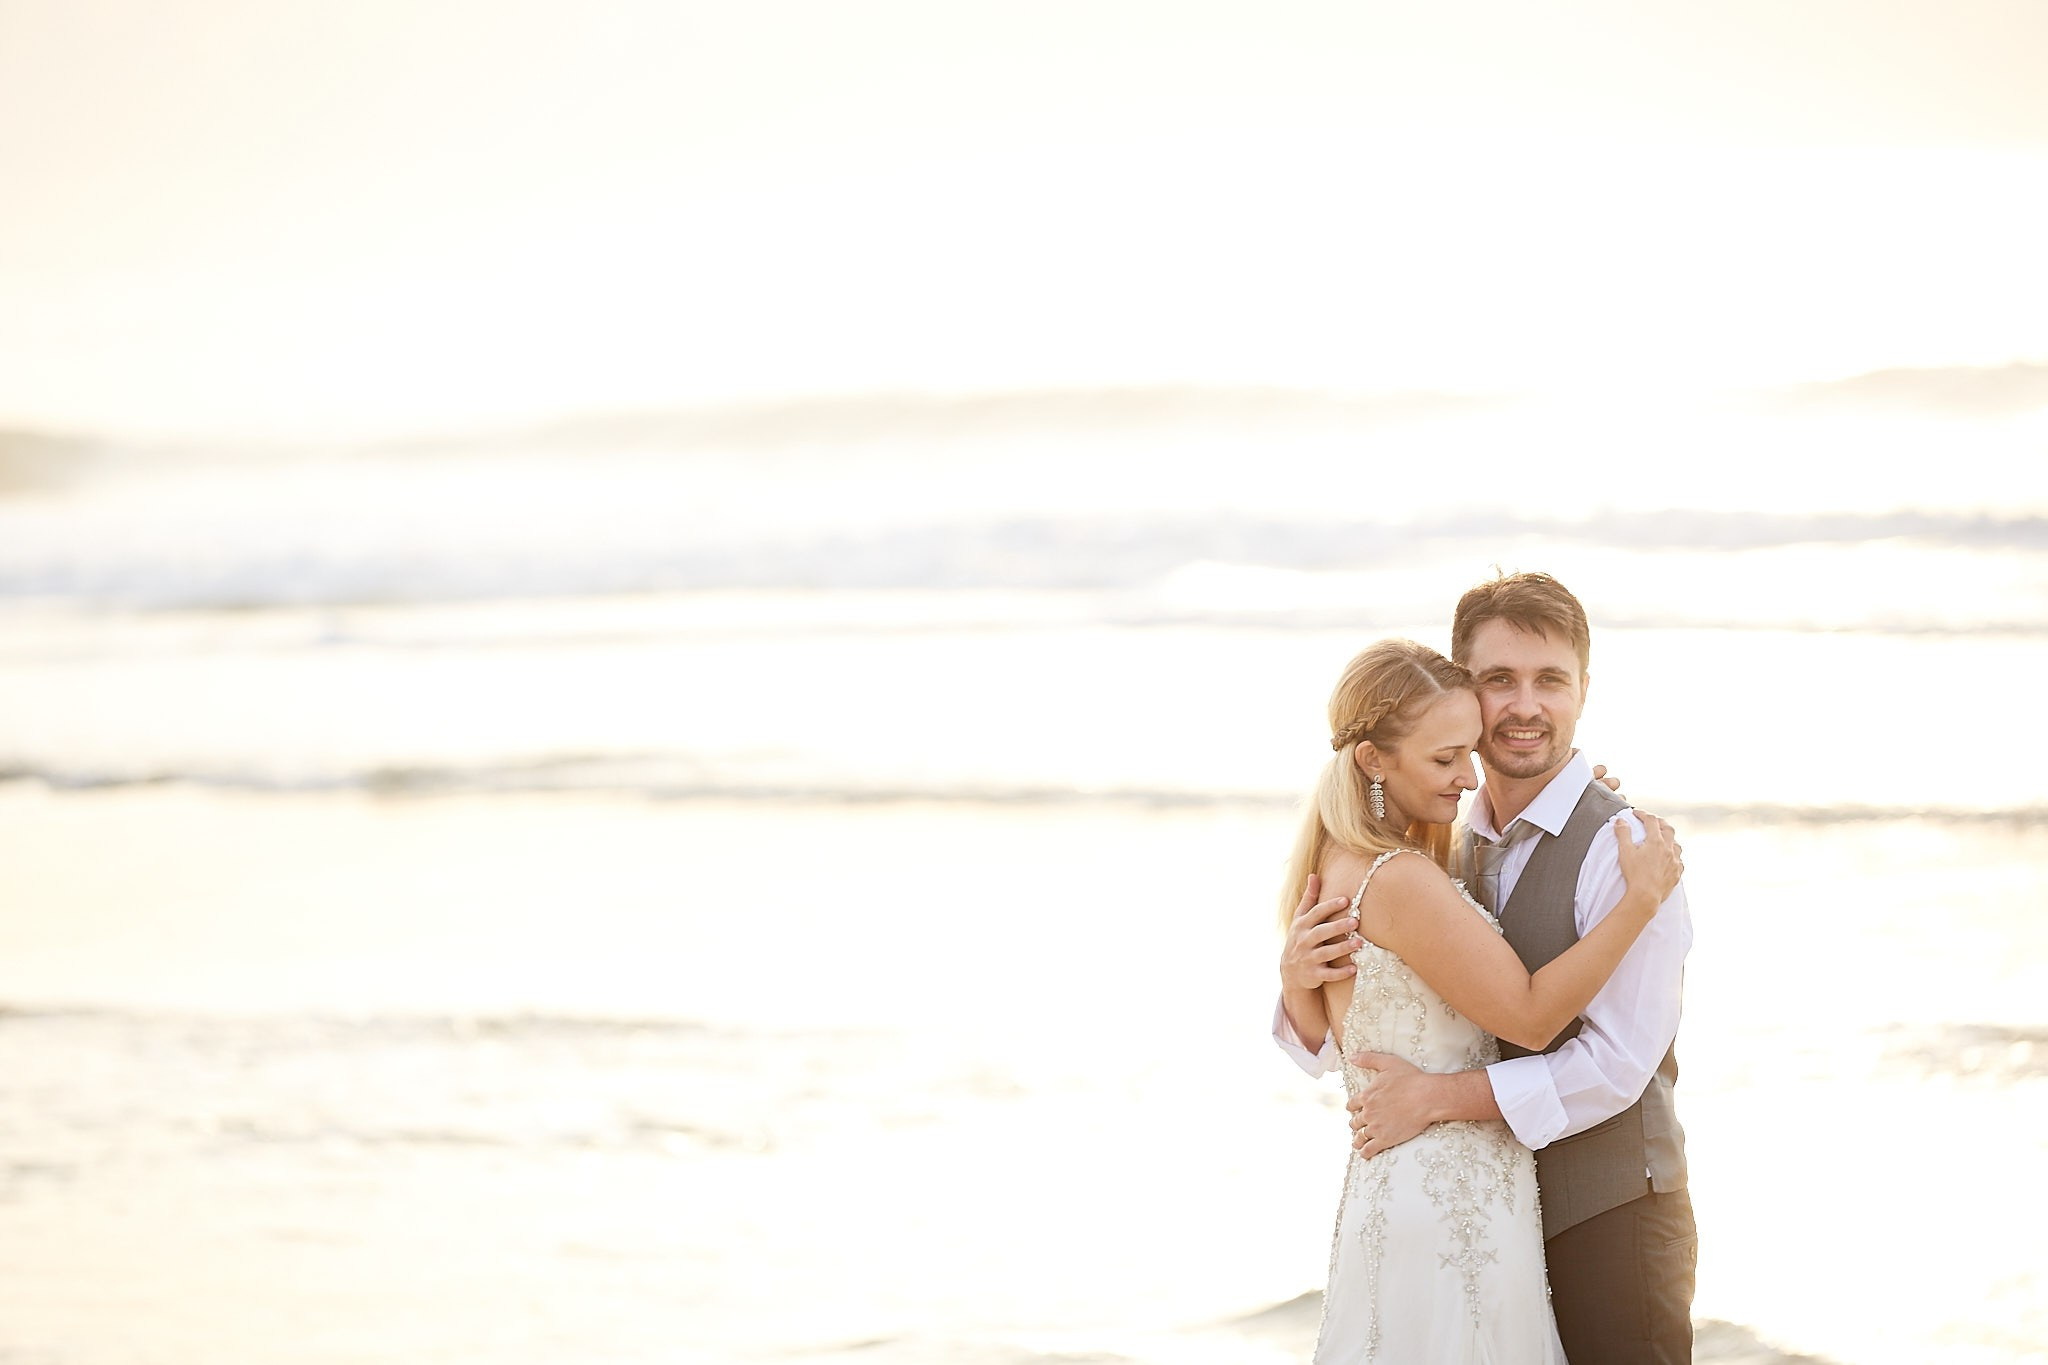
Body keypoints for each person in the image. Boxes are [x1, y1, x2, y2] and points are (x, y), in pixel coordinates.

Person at [1277, 573, 1696, 1364]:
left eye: (1551, 681)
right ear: (1466, 692)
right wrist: (1297, 975)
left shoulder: (1627, 854)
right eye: (1500, 680)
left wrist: (1440, 1098)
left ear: (1583, 691)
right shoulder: (1442, 844)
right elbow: (1355, 1040)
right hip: (1475, 1214)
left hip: (1610, 1212)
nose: (1526, 705)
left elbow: (1617, 1063)